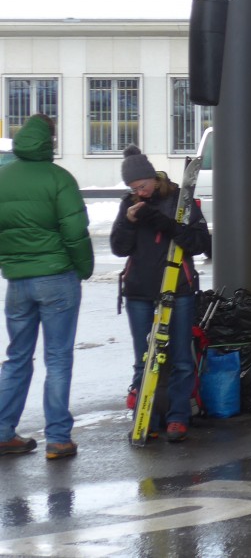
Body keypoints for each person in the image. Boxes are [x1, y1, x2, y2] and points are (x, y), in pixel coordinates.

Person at [0, 114, 94, 460]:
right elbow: (75, 232)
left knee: (16, 357)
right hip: (57, 279)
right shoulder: (59, 179)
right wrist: (83, 268)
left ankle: (2, 430)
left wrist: (9, 262)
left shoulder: (3, 178)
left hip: (17, 283)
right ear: (50, 141)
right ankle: (58, 439)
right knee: (57, 359)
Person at [111, 146, 210, 443]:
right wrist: (128, 221)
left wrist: (167, 225)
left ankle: (178, 417)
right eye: (132, 188)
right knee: (144, 359)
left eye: (141, 186)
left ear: (152, 178)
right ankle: (146, 417)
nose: (138, 192)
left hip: (177, 288)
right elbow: (119, 248)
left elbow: (200, 243)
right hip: (139, 291)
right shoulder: (128, 205)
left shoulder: (180, 200)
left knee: (180, 357)